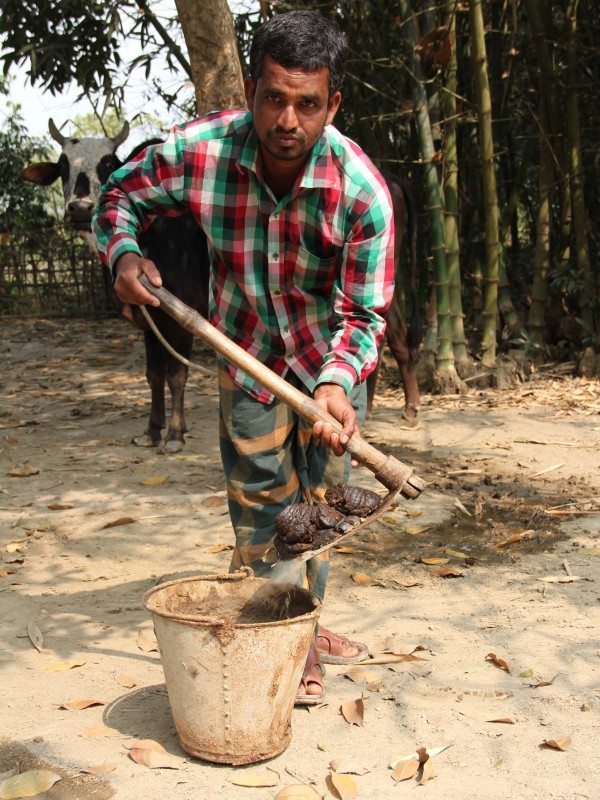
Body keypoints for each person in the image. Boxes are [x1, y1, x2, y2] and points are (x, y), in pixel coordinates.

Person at [92, 9, 395, 704]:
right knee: (263, 514)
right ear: (252, 88)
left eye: (308, 104)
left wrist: (338, 384)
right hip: (248, 356)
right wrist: (125, 252)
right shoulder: (200, 151)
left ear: (332, 104)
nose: (288, 119)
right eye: (274, 98)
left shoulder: (363, 193)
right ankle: (289, 642)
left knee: (322, 510)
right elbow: (117, 197)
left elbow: (363, 314)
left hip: (331, 373)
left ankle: (307, 626)